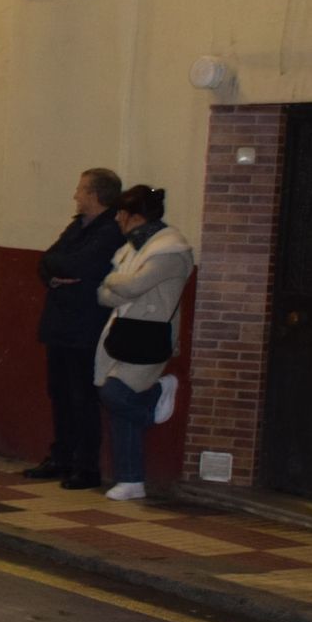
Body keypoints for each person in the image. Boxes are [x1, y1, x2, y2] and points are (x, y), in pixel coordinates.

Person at [24, 169, 124, 489]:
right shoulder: (77, 225)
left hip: (85, 326)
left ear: (95, 195)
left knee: (83, 397)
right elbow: (48, 260)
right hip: (60, 323)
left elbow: (79, 266)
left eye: (80, 190)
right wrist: (56, 275)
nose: (75, 195)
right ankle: (61, 456)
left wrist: (62, 269)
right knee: (60, 394)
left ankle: (86, 466)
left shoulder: (109, 230)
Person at [95, 185, 192, 501]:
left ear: (134, 216)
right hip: (123, 331)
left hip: (149, 337)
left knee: (115, 393)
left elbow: (133, 285)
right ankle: (131, 478)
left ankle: (156, 395)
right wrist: (114, 286)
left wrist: (112, 281)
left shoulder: (170, 251)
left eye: (121, 214)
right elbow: (104, 295)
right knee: (118, 406)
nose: (117, 220)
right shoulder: (133, 248)